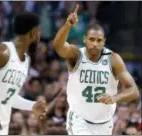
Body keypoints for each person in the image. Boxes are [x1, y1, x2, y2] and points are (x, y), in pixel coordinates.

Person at [53, 5, 140, 135]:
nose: (95, 44)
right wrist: (67, 26)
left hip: (105, 123)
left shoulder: (113, 59)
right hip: (79, 120)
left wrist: (115, 98)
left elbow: (133, 90)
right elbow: (58, 46)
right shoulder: (76, 54)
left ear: (104, 42)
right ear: (85, 39)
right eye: (92, 39)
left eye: (99, 40)